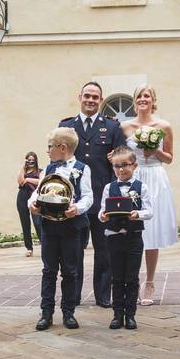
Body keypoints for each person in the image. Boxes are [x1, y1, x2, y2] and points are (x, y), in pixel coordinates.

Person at [58, 82, 124, 308]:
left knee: (104, 251)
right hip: (74, 202)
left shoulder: (113, 127)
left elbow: (122, 164)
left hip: (100, 199)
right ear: (80, 97)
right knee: (73, 251)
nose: (90, 100)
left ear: (101, 100)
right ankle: (73, 295)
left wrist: (115, 195)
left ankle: (103, 296)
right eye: (87, 96)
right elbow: (57, 161)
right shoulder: (66, 126)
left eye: (95, 97)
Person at [29, 127, 92, 331]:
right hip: (49, 225)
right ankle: (46, 313)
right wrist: (32, 204)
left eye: (50, 147)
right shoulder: (48, 169)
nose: (47, 151)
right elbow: (37, 192)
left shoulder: (83, 169)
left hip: (71, 227)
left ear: (62, 148)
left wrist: (78, 208)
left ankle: (68, 312)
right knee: (48, 271)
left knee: (70, 271)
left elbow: (88, 197)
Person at [124, 84, 176, 306]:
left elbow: (170, 158)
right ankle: (131, 280)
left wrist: (154, 150)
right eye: (139, 96)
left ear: (153, 100)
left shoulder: (164, 126)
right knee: (131, 230)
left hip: (155, 177)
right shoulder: (125, 126)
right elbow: (122, 154)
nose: (143, 99)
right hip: (133, 178)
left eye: (147, 96)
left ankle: (150, 282)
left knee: (151, 231)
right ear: (134, 101)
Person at [100, 146, 152, 330]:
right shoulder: (109, 187)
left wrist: (137, 215)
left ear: (134, 165)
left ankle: (130, 315)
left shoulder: (141, 187)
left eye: (125, 165)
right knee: (116, 277)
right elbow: (102, 210)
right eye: (116, 166)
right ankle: (117, 315)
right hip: (113, 237)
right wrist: (103, 216)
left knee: (132, 277)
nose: (121, 169)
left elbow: (149, 211)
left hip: (134, 237)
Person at [16, 151, 42, 256]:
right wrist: (23, 167)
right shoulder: (23, 170)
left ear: (36, 160)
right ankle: (29, 248)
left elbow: (41, 181)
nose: (31, 161)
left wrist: (28, 179)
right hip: (22, 196)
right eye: (29, 159)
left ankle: (44, 244)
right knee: (25, 223)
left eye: (33, 159)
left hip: (34, 197)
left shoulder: (40, 171)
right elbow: (20, 181)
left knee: (38, 222)